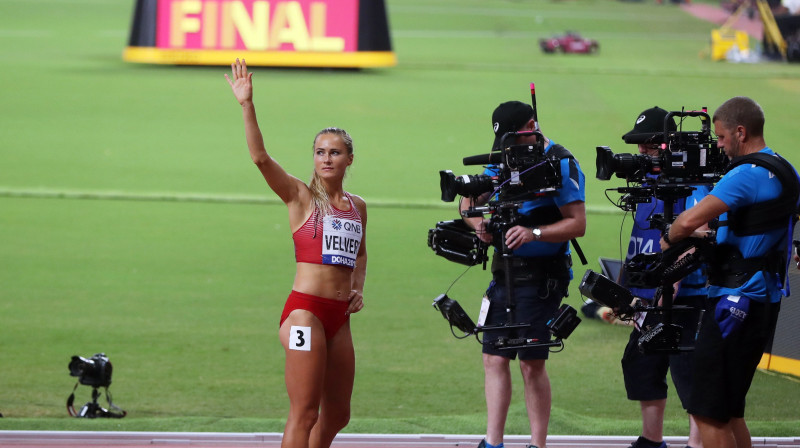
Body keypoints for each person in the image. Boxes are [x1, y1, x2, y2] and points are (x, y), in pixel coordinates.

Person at [225, 58, 367, 448]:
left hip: (339, 318)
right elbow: (260, 158)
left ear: (349, 159)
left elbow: (360, 253)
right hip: (305, 314)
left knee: (338, 414)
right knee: (304, 412)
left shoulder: (358, 206)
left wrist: (358, 286)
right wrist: (246, 104)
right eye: (320, 151)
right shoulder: (300, 198)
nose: (325, 158)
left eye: (334, 152)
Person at [661, 97, 799, 448]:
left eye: (721, 138)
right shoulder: (786, 169)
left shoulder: (744, 175)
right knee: (730, 410)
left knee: (707, 412)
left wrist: (669, 236)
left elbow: (689, 221)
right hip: (764, 300)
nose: (718, 146)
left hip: (732, 304)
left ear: (741, 132)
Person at [459, 101, 586, 448]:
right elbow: (467, 200)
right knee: (493, 356)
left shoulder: (561, 161)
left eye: (514, 141)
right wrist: (478, 224)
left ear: (532, 125)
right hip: (505, 274)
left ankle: (537, 444)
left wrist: (535, 234)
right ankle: (493, 442)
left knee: (532, 363)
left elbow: (578, 224)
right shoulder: (503, 156)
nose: (509, 150)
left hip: (543, 279)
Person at [617, 107, 709, 448]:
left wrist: (665, 289)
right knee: (642, 366)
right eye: (639, 146)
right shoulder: (646, 184)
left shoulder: (693, 185)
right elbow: (638, 243)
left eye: (649, 145)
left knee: (688, 373)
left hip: (686, 299)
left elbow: (695, 238)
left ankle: (696, 444)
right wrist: (627, 293)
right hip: (648, 299)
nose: (641, 152)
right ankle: (651, 440)